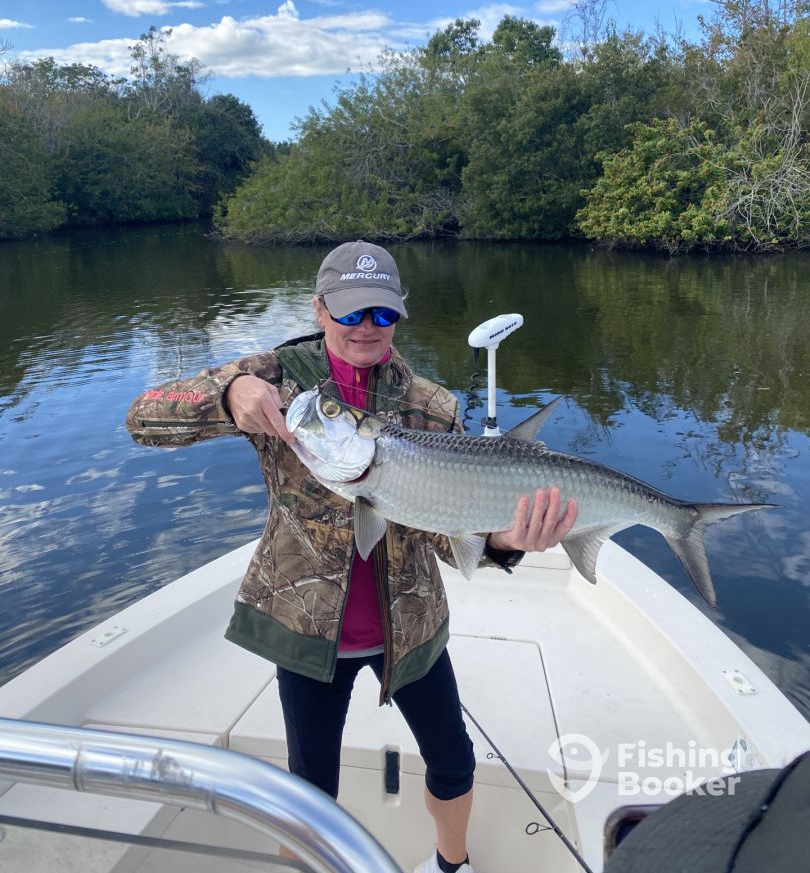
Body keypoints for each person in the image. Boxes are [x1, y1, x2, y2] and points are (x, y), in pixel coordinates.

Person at [126, 240, 578, 873]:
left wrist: (504, 542)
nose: (368, 327)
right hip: (307, 628)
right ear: (320, 309)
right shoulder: (277, 379)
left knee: (453, 761)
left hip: (411, 624)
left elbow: (448, 535)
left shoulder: (431, 403)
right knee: (309, 788)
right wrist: (228, 394)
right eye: (351, 312)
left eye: (384, 313)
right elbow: (143, 419)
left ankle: (452, 866)